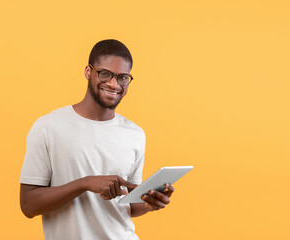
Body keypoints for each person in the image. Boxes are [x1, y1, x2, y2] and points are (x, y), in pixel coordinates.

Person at [19, 39, 174, 240]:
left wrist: (148, 204)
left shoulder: (135, 134)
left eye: (123, 77)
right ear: (88, 72)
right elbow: (28, 205)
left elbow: (128, 206)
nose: (113, 84)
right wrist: (84, 183)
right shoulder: (48, 127)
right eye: (105, 74)